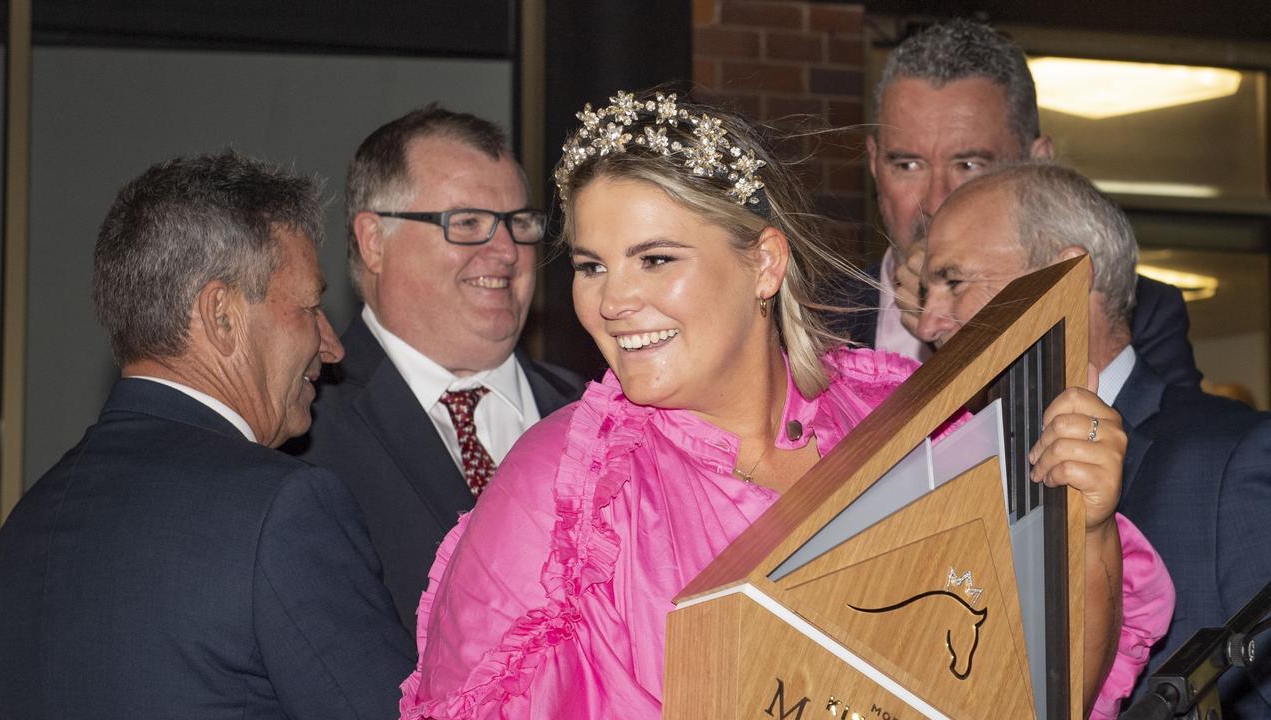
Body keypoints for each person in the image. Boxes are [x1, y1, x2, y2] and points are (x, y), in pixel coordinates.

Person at [399, 90, 1166, 718]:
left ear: (764, 263)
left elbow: (1037, 693)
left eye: (655, 259)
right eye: (593, 266)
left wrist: (1087, 528)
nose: (614, 301)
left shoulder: (898, 420)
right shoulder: (560, 488)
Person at [0, 152, 413, 718]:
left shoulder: (25, 524)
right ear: (221, 315)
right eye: (310, 307)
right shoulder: (282, 510)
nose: (332, 346)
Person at [916, 161, 1268, 718]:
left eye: (954, 282)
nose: (927, 322)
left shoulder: (1231, 460)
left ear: (1065, 278)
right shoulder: (954, 467)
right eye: (925, 289)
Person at [286, 106, 585, 638]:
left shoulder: (593, 416)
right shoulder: (300, 431)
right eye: (467, 223)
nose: (507, 251)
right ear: (375, 241)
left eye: (519, 224)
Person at [834, 18, 1201, 389]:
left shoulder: (1134, 311)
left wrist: (958, 330)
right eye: (907, 165)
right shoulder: (811, 316)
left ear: (1038, 162)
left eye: (969, 165)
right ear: (873, 163)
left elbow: (1171, 441)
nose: (935, 202)